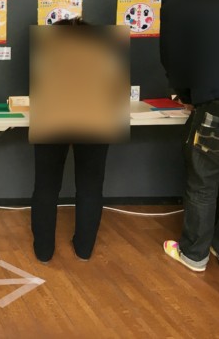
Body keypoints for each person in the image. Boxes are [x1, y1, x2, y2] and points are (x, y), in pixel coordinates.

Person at [29, 18, 129, 262]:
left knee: (46, 186)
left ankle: (43, 251)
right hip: (97, 111)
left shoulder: (48, 50)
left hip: (52, 110)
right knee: (90, 187)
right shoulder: (103, 49)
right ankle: (84, 249)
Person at [160, 0, 219, 273]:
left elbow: (173, 55)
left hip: (216, 99)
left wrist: (187, 94)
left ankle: (194, 253)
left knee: (203, 180)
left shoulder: (181, 1)